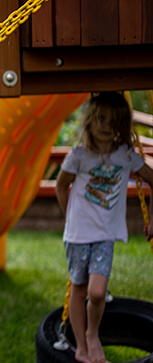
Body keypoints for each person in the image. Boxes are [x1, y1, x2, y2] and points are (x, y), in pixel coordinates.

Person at [55, 92, 153, 363]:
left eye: (114, 121)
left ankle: (92, 334)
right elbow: (61, 186)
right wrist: (70, 218)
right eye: (100, 118)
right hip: (78, 234)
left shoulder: (126, 156)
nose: (106, 125)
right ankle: (83, 349)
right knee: (79, 287)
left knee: (97, 292)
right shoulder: (79, 156)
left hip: (105, 235)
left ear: (122, 126)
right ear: (90, 121)